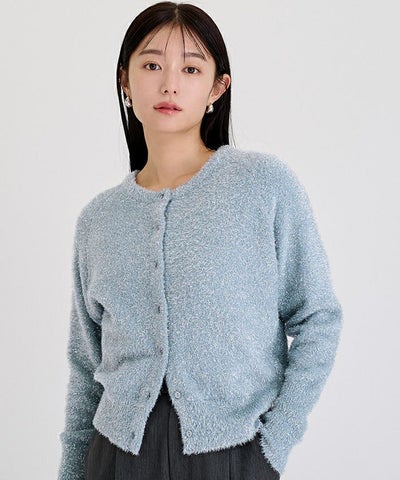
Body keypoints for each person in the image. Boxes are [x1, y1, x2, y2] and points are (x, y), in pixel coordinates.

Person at [57, 2, 343, 480]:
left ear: (217, 87)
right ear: (125, 81)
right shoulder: (99, 220)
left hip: (231, 456)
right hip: (114, 458)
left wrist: (272, 447)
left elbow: (318, 317)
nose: (169, 84)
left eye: (191, 68)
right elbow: (87, 369)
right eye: (151, 65)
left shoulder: (262, 186)